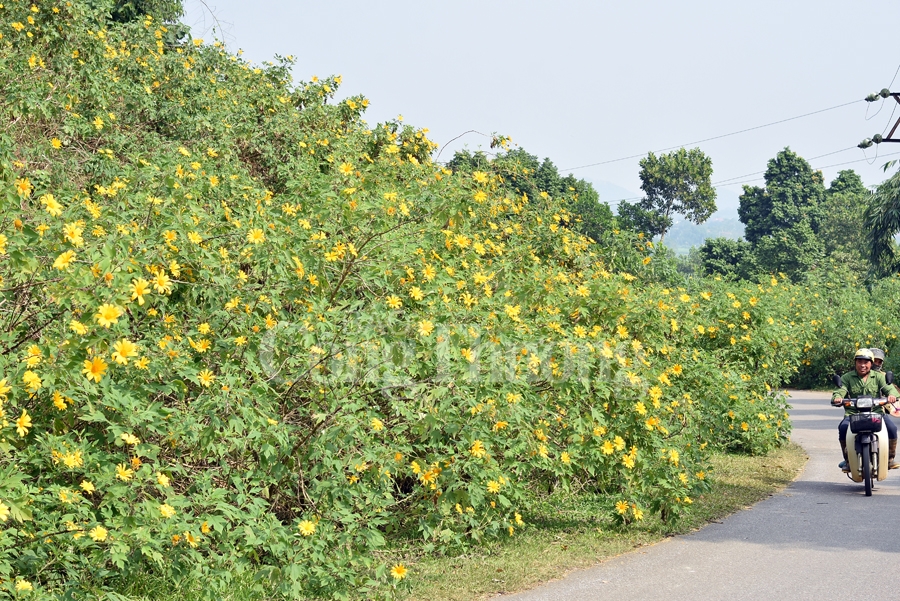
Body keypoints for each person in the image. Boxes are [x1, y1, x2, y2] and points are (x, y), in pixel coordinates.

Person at [831, 348, 899, 471]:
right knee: (843, 428)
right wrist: (838, 397)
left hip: (876, 413)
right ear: (855, 363)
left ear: (871, 364)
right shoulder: (847, 377)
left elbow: (890, 389)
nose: (863, 365)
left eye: (866, 362)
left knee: (892, 428)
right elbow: (840, 390)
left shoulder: (879, 377)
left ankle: (890, 459)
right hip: (853, 414)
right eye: (859, 362)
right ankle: (848, 460)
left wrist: (892, 395)